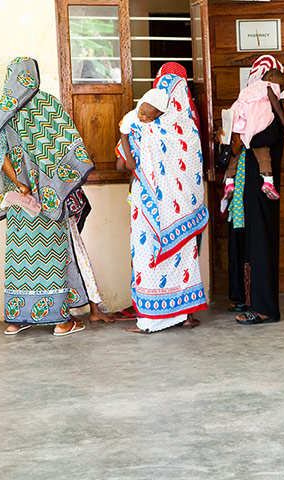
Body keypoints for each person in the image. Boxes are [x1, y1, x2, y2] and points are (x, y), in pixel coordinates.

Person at [0, 57, 94, 336]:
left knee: (20, 258)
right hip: (48, 200)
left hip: (19, 202)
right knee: (51, 258)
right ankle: (61, 322)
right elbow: (71, 149)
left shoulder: (5, 110)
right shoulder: (47, 104)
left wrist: (19, 184)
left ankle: (17, 319)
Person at [123, 72, 209, 333]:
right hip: (181, 214)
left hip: (149, 209)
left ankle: (149, 320)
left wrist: (128, 139)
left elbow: (123, 163)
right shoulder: (189, 129)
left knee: (148, 257)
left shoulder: (140, 128)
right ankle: (186, 315)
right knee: (185, 257)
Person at [231, 56, 284, 325]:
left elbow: (258, 140)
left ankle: (265, 308)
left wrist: (242, 135)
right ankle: (253, 302)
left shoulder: (272, 115)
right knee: (253, 246)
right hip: (250, 191)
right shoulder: (256, 111)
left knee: (262, 246)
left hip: (263, 193)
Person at [225, 69, 284, 200]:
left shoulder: (250, 88)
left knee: (235, 151)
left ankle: (229, 183)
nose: (281, 90)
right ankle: (268, 182)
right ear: (271, 77)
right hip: (256, 122)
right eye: (281, 86)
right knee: (263, 152)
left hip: (240, 118)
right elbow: (277, 109)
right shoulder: (268, 87)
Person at [64, 188, 113, 323]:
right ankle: (66, 314)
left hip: (63, 216)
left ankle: (94, 310)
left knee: (79, 262)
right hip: (55, 217)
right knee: (73, 264)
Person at [118, 89, 169, 170]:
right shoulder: (131, 117)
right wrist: (129, 158)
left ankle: (135, 180)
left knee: (139, 170)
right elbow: (124, 137)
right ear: (139, 105)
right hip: (128, 144)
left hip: (145, 150)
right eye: (142, 113)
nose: (144, 118)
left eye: (150, 118)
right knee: (120, 166)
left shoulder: (158, 123)